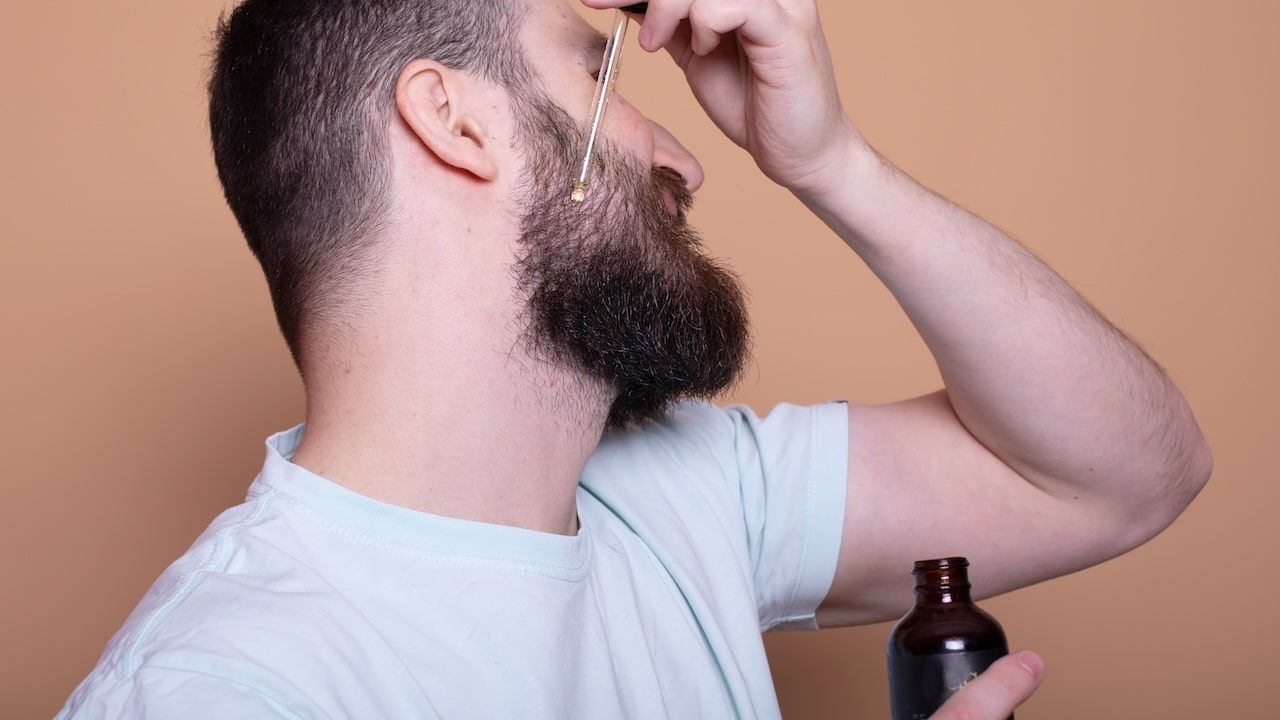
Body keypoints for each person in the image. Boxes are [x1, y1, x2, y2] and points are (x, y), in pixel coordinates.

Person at [57, 0, 1210, 718]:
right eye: (599, 73)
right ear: (454, 123)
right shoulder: (225, 691)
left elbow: (1121, 474)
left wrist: (831, 164)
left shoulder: (686, 492)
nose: (685, 162)